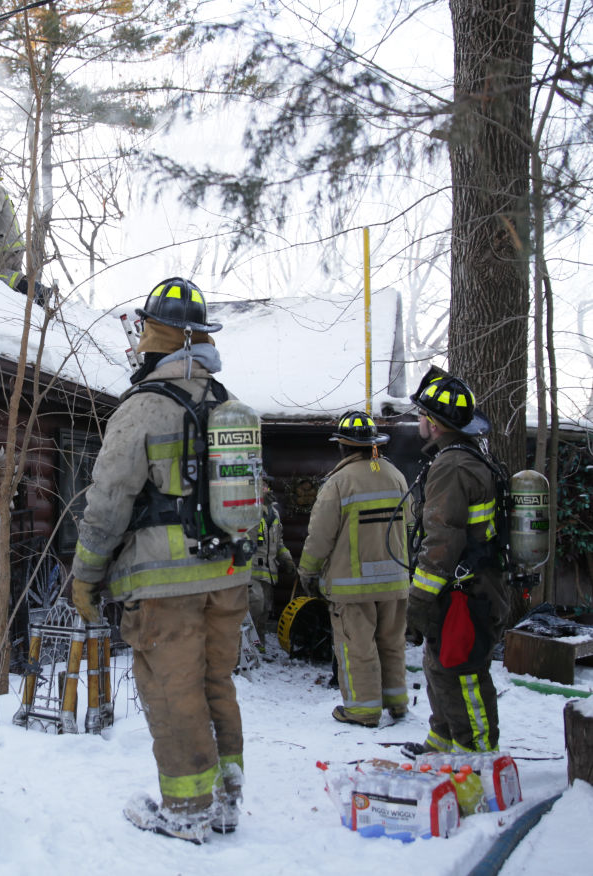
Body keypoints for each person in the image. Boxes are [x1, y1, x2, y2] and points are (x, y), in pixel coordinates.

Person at [70, 277, 246, 843]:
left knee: (175, 694)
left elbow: (107, 502)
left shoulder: (142, 409)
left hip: (163, 589)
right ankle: (225, 802)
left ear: (155, 336)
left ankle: (187, 812)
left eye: (143, 329)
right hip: (227, 576)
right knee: (217, 684)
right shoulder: (227, 404)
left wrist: (85, 574)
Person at [403, 369, 507, 756]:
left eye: (420, 417)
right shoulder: (464, 457)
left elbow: (443, 540)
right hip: (466, 586)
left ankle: (478, 755)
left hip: (466, 590)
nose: (418, 423)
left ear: (433, 423)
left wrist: (420, 596)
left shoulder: (452, 466)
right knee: (440, 666)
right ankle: (443, 741)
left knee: (462, 672)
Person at [297, 411, 410, 727]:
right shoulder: (396, 476)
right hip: (396, 581)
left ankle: (362, 709)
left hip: (353, 585)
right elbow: (411, 524)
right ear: (374, 444)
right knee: (391, 642)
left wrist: (307, 572)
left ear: (343, 447)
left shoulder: (338, 484)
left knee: (357, 646)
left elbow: (319, 537)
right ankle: (397, 703)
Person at [248, 487, 296, 638]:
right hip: (251, 570)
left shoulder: (274, 514)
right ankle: (248, 644)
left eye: (268, 486)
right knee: (255, 605)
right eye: (263, 486)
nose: (267, 489)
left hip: (269, 573)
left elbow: (278, 543)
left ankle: (259, 643)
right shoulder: (248, 511)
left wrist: (287, 559)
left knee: (265, 610)